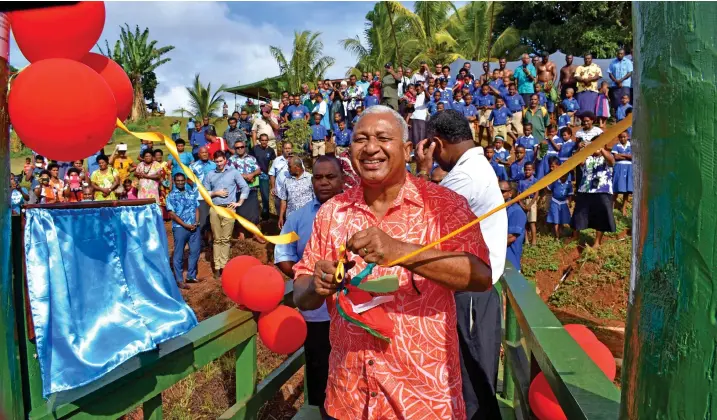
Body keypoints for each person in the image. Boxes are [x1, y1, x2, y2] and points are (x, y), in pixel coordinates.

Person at [292, 105, 493, 419]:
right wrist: (316, 285)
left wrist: (401, 252)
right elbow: (301, 293)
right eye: (361, 139)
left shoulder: (444, 206)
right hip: (349, 398)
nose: (371, 148)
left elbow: (480, 276)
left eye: (383, 138)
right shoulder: (332, 212)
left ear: (407, 149)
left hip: (424, 400)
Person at [414, 109, 507, 419]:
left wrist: (423, 171)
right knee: (473, 382)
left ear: (436, 144)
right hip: (473, 293)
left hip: (469, 294)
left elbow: (419, 223)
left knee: (472, 386)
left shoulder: (464, 178)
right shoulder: (475, 168)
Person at [274, 156, 344, 417]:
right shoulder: (298, 218)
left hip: (354, 316)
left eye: (330, 177)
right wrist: (308, 282)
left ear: (343, 179)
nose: (324, 182)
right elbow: (283, 254)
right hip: (316, 316)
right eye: (318, 177)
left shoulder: (359, 214)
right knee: (319, 374)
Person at [203, 150, 250, 277]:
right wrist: (215, 193)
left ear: (225, 160)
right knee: (217, 239)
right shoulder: (210, 174)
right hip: (215, 208)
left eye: (221, 161)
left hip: (229, 209)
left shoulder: (233, 172)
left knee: (225, 238)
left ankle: (224, 265)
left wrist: (239, 202)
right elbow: (204, 192)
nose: (219, 164)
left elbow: (245, 187)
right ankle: (217, 267)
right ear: (214, 161)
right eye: (216, 161)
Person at [572, 137, 616, 248]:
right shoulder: (587, 157)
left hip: (602, 190)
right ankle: (575, 236)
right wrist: (579, 149)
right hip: (585, 190)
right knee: (579, 214)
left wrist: (600, 148)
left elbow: (612, 161)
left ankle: (597, 242)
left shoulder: (606, 156)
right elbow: (575, 161)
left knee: (601, 217)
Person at [167, 173, 200, 290]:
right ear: (175, 182)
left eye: (182, 180)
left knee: (195, 251)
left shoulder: (191, 193)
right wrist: (185, 225)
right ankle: (179, 280)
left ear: (185, 181)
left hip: (194, 227)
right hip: (180, 228)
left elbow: (196, 208)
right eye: (178, 181)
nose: (180, 182)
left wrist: (196, 221)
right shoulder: (171, 196)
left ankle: (191, 275)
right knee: (178, 254)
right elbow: (172, 214)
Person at [228, 139, 262, 241]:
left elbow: (258, 169)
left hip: (252, 188)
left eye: (241, 147)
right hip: (238, 190)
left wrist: (252, 174)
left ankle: (255, 234)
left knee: (254, 212)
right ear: (235, 149)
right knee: (241, 212)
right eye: (237, 148)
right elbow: (229, 173)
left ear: (244, 147)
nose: (239, 149)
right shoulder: (231, 160)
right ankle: (241, 234)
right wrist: (244, 176)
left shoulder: (251, 158)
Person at [188, 147, 217, 248]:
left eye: (206, 152)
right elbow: (189, 180)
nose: (204, 154)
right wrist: (197, 187)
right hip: (200, 197)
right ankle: (202, 240)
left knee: (213, 218)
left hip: (214, 195)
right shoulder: (193, 166)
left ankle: (211, 239)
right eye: (202, 153)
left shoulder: (214, 165)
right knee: (203, 220)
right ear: (199, 155)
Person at [277, 156, 313, 229]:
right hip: (291, 219)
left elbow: (317, 199)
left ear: (297, 167)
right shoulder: (287, 180)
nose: (288, 169)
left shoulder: (310, 179)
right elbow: (283, 200)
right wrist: (281, 217)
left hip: (307, 219)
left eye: (289, 167)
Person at [502, 180, 527, 271]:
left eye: (502, 191)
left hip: (510, 264)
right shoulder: (503, 210)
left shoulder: (516, 212)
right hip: (500, 262)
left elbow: (511, 238)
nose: (499, 194)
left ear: (510, 193)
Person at [546, 158, 574, 239]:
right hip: (555, 202)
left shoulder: (568, 184)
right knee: (556, 220)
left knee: (563, 218)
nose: (563, 177)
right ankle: (557, 237)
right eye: (562, 176)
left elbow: (570, 194)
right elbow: (548, 189)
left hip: (563, 203)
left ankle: (563, 233)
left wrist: (570, 202)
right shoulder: (555, 182)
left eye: (565, 176)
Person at [252, 134, 277, 220]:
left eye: (266, 140)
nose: (264, 142)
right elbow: (250, 160)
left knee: (265, 196)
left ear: (268, 141)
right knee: (253, 195)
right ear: (259, 140)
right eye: (262, 140)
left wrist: (271, 175)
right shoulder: (255, 149)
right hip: (254, 175)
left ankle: (265, 215)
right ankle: (254, 215)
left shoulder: (270, 150)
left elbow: (273, 163)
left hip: (265, 175)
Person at [612, 131, 633, 216]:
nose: (623, 139)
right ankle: (612, 207)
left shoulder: (631, 145)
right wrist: (627, 156)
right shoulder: (616, 146)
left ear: (627, 136)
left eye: (624, 137)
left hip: (629, 168)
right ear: (618, 138)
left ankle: (623, 208)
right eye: (621, 137)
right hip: (619, 168)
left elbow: (633, 156)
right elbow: (616, 157)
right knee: (616, 188)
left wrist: (622, 155)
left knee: (627, 190)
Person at [269, 141, 293, 217]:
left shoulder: (296, 160)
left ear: (291, 149)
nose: (287, 150)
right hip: (279, 191)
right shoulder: (277, 160)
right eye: (286, 148)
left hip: (292, 192)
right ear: (282, 149)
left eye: (289, 148)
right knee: (280, 214)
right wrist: (273, 187)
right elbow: (272, 174)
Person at [518, 162, 539, 245]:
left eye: (529, 170)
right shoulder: (521, 181)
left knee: (532, 222)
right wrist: (522, 205)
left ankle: (534, 241)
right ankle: (526, 240)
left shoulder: (535, 180)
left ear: (533, 170)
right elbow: (519, 195)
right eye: (526, 170)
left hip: (532, 202)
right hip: (523, 202)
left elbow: (536, 194)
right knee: (524, 222)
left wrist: (530, 204)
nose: (527, 171)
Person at [154, 149, 172, 219]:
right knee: (159, 201)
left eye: (159, 155)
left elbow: (169, 174)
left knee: (166, 201)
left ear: (161, 156)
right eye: (156, 155)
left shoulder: (165, 164)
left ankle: (168, 217)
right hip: (156, 186)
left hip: (165, 186)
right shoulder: (153, 165)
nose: (158, 156)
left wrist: (170, 185)